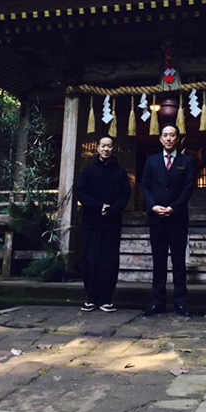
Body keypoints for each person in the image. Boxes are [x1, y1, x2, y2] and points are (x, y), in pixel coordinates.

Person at [140, 123, 195, 317]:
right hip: (156, 219)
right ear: (160, 139)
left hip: (178, 219)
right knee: (159, 261)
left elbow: (188, 188)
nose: (169, 138)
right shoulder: (152, 161)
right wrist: (153, 206)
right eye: (165, 135)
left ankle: (180, 303)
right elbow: (145, 186)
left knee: (178, 262)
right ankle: (158, 303)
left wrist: (173, 208)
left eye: (172, 135)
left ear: (177, 138)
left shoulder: (186, 161)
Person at [76, 134, 130, 312]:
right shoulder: (88, 171)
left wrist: (112, 208)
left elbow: (125, 194)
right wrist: (98, 206)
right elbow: (82, 193)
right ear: (97, 148)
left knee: (109, 260)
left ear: (113, 149)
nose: (106, 149)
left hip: (112, 222)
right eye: (103, 146)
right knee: (90, 259)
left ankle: (106, 298)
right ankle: (91, 298)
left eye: (109, 146)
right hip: (91, 221)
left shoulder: (120, 172)